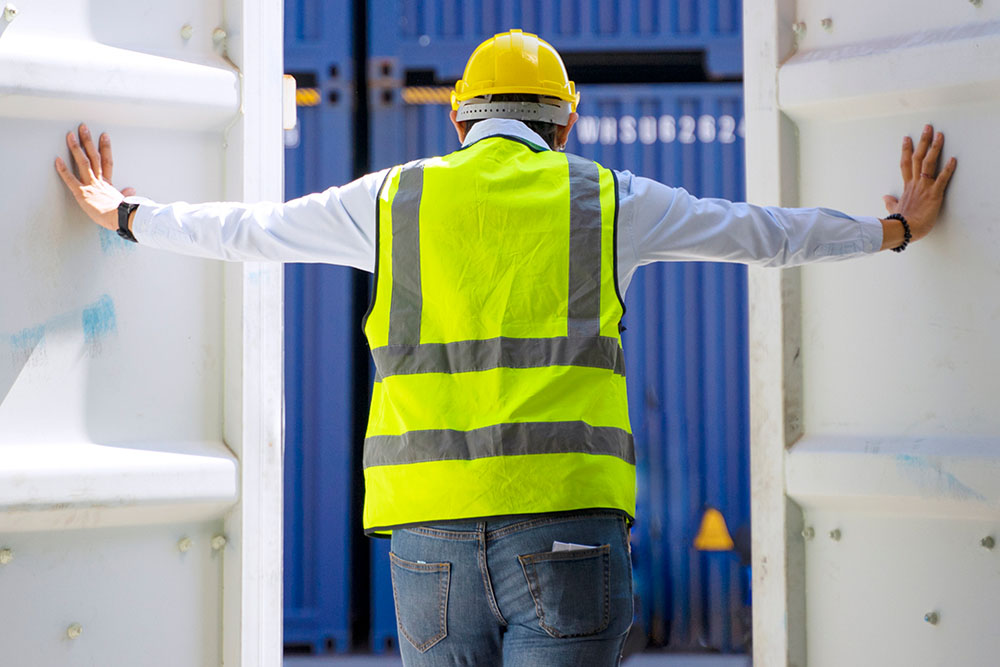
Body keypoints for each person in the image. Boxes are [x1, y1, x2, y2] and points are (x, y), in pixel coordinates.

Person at [55, 28, 956, 667]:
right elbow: (761, 231)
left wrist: (126, 213)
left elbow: (249, 230)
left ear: (458, 120)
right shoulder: (609, 200)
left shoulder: (389, 200)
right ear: (567, 121)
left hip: (428, 540)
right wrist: (893, 228)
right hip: (570, 529)